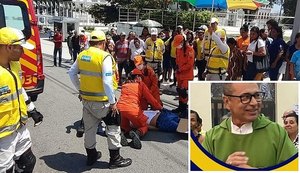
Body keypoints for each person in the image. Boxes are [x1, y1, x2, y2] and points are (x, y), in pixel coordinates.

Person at [68, 30, 132, 169]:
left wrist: (81, 90)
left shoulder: (82, 55)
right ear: (103, 43)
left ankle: (91, 156)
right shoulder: (104, 57)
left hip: (87, 101)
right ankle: (115, 159)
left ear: (90, 42)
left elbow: (71, 73)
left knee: (90, 129)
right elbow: (107, 82)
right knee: (113, 127)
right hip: (104, 102)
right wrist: (113, 102)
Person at [202, 83, 297, 168]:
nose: (254, 103)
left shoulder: (277, 133)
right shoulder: (212, 137)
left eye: (257, 96)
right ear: (227, 102)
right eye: (245, 97)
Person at [0, 27, 43, 173]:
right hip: (3, 136)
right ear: (9, 47)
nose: (23, 53)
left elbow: (19, 89)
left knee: (28, 162)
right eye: (20, 48)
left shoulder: (14, 65)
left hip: (19, 126)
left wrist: (32, 109)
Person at [117, 69, 163, 149]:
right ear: (137, 77)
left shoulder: (125, 84)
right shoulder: (140, 85)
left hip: (120, 109)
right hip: (133, 109)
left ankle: (122, 133)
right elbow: (150, 98)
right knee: (144, 125)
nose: (142, 79)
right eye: (141, 77)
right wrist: (160, 107)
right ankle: (138, 133)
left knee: (125, 127)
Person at [172, 34, 194, 117]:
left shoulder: (190, 50)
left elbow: (190, 64)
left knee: (183, 92)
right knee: (179, 91)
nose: (177, 46)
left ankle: (184, 110)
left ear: (182, 42)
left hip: (187, 75)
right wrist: (176, 69)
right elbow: (177, 61)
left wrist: (180, 69)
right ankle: (180, 108)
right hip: (179, 75)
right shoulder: (178, 50)